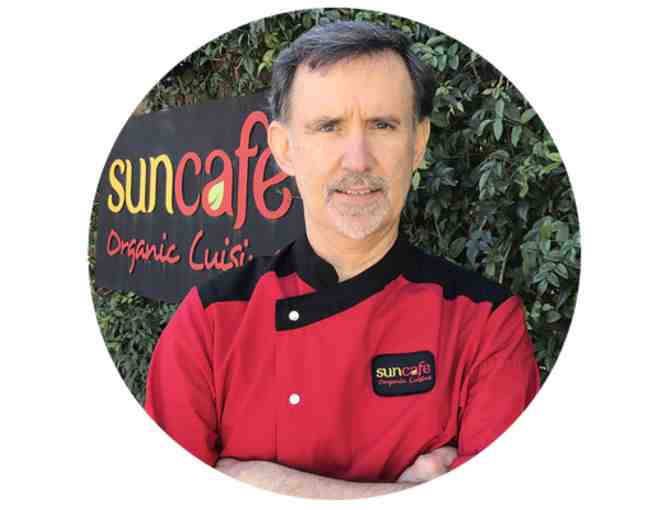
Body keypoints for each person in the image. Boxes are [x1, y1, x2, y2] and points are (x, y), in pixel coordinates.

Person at [144, 20, 540, 499]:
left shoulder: (485, 325)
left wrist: (266, 485)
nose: (357, 160)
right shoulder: (211, 321)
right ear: (285, 150)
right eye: (328, 127)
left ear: (417, 144)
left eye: (383, 125)